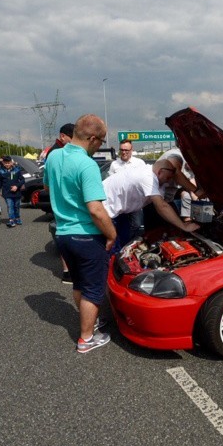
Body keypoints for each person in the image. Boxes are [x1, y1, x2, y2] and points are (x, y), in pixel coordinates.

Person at [43, 114, 116, 353]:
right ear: (93, 138)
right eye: (101, 141)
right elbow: (96, 210)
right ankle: (86, 338)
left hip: (63, 234)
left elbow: (47, 186)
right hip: (86, 235)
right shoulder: (87, 164)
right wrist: (111, 234)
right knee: (93, 289)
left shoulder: (53, 156)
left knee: (78, 283)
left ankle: (90, 322)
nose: (99, 146)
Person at [103, 157, 200, 252]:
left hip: (120, 213)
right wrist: (184, 226)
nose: (168, 181)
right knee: (112, 249)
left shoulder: (158, 179)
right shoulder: (147, 176)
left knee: (123, 247)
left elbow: (163, 205)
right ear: (160, 171)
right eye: (168, 178)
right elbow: (162, 206)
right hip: (105, 210)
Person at [42, 123, 75, 283]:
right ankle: (68, 271)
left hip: (60, 201)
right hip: (64, 201)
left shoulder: (55, 152)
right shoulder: (56, 152)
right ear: (63, 136)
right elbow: (48, 184)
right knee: (66, 234)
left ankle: (69, 270)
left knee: (65, 234)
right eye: (72, 137)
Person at [107, 139, 148, 239]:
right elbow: (111, 183)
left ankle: (131, 242)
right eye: (122, 150)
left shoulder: (139, 163)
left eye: (127, 150)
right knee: (121, 227)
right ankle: (123, 245)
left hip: (134, 201)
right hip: (120, 202)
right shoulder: (114, 165)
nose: (124, 152)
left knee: (137, 225)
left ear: (131, 150)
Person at [0, 155, 26, 228]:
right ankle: (11, 219)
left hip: (17, 193)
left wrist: (16, 186)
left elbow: (23, 180)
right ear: (3, 163)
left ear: (11, 162)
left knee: (16, 206)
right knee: (10, 206)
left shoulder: (17, 170)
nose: (7, 164)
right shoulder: (1, 171)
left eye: (8, 163)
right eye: (5, 163)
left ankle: (17, 218)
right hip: (7, 193)